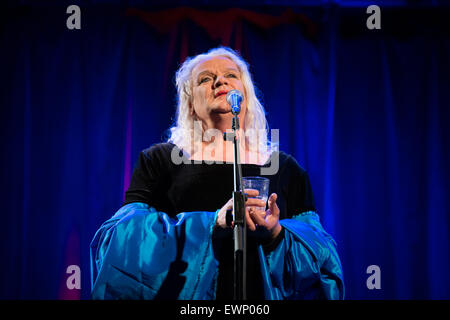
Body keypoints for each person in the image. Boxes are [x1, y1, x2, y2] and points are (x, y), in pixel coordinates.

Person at [90, 47, 344, 300]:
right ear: (190, 105)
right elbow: (121, 240)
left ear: (246, 94)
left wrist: (276, 235)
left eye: (231, 75)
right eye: (205, 79)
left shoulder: (286, 168)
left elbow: (322, 261)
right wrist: (213, 223)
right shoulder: (159, 161)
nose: (220, 81)